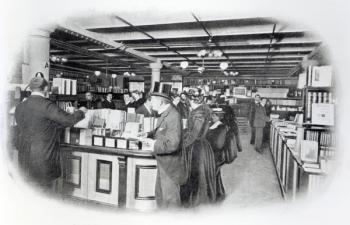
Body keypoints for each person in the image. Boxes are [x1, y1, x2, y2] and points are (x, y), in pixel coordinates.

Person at [15, 73, 86, 192]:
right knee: (45, 195)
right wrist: (81, 112)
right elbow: (69, 120)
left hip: (24, 160)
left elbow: (36, 126)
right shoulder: (47, 106)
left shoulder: (20, 106)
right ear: (46, 89)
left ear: (31, 88)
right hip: (43, 160)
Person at [145, 82, 185, 208]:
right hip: (163, 163)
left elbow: (173, 144)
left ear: (160, 102)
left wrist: (153, 145)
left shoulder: (173, 115)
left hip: (170, 166)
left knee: (170, 201)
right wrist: (147, 135)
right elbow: (162, 131)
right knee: (161, 196)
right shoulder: (164, 113)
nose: (150, 103)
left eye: (152, 100)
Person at [181, 88, 217, 207]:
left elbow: (194, 134)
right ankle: (202, 199)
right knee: (202, 174)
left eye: (187, 100)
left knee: (196, 174)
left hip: (197, 147)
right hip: (202, 145)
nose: (187, 102)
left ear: (191, 100)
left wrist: (182, 144)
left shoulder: (198, 113)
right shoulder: (203, 109)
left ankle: (197, 201)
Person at [206, 108, 227, 202]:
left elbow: (219, 144)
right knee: (214, 174)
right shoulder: (212, 125)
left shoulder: (221, 127)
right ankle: (218, 193)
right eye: (212, 115)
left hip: (216, 154)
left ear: (220, 117)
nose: (212, 117)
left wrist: (208, 144)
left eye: (214, 115)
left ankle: (215, 195)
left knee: (213, 173)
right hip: (211, 153)